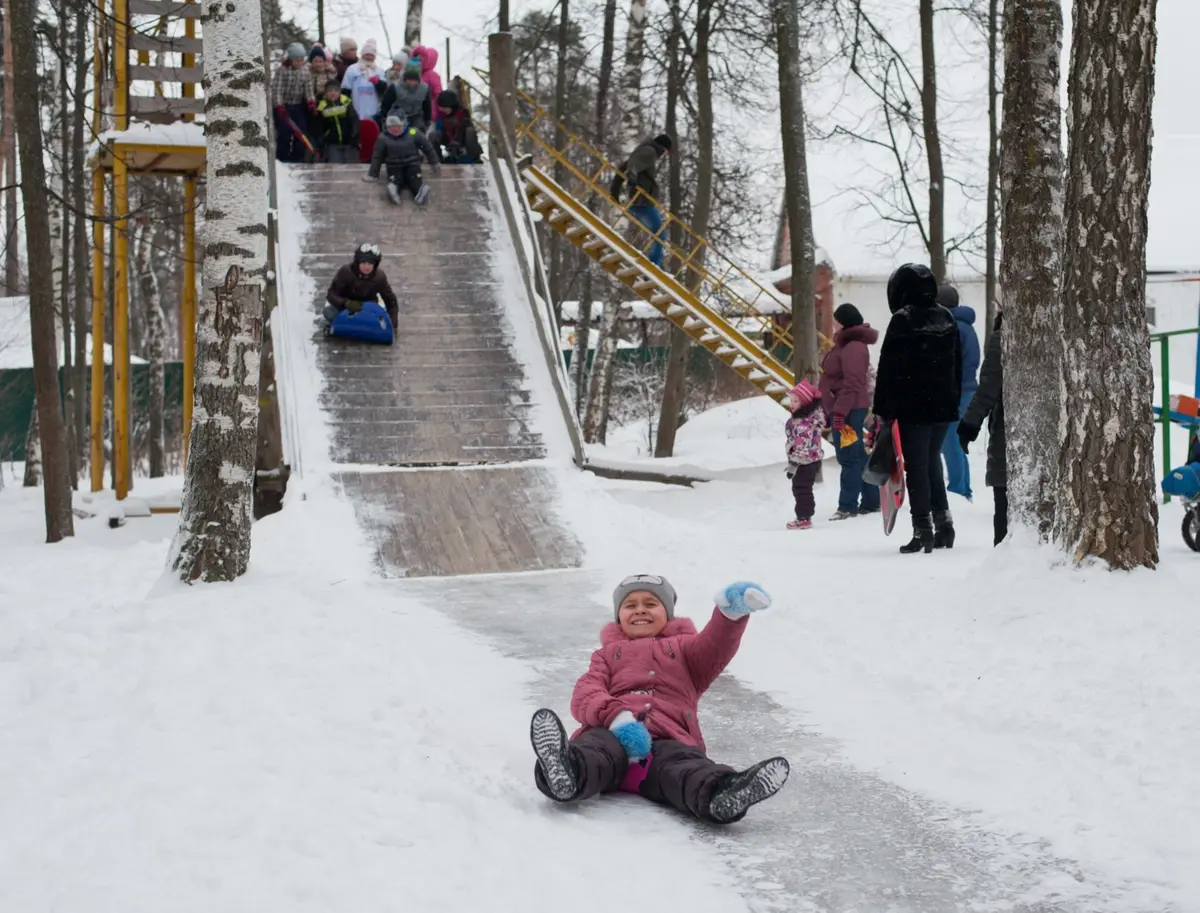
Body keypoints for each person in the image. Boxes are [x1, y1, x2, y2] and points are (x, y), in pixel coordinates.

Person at [530, 575, 790, 824]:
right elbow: (587, 690)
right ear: (619, 617)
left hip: (668, 739)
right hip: (612, 734)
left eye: (651, 603)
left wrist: (729, 615)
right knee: (594, 750)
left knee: (686, 770)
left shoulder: (687, 650)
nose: (640, 610)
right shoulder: (606, 655)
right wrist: (616, 718)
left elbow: (715, 646)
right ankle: (565, 771)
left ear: (668, 614)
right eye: (630, 605)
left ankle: (723, 793)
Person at [872, 263, 962, 553]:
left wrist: (882, 410)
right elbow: (957, 365)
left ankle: (922, 530)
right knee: (932, 462)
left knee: (917, 468)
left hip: (913, 408)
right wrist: (953, 401)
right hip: (942, 408)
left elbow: (889, 370)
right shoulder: (946, 316)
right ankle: (944, 525)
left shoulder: (904, 319)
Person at [819, 302, 881, 520]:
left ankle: (847, 506)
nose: (833, 323)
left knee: (849, 457)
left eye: (836, 320)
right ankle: (871, 501)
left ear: (843, 322)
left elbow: (853, 382)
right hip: (846, 408)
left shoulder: (853, 346)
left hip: (848, 410)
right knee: (857, 455)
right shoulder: (847, 343)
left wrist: (839, 411)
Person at [958, 310, 1006, 546]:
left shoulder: (1004, 336)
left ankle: (1003, 556)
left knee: (1005, 508)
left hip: (1009, 436)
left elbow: (987, 389)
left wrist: (968, 426)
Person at [937, 285, 980, 502]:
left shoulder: (953, 328)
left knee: (950, 441)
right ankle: (963, 488)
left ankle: (958, 489)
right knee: (955, 439)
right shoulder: (965, 326)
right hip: (966, 388)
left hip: (957, 390)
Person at [608, 134, 672, 268]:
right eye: (667, 151)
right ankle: (654, 265)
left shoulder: (646, 150)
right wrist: (631, 175)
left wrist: (615, 191)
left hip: (639, 201)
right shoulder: (650, 152)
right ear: (663, 147)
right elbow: (632, 165)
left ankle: (657, 263)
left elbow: (624, 167)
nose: (665, 155)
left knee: (655, 232)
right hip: (642, 202)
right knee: (660, 233)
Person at [363, 114, 441, 205]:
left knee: (414, 178)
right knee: (397, 179)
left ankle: (420, 190)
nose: (395, 130)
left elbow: (427, 147)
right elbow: (377, 157)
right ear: (387, 128)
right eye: (392, 128)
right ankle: (394, 190)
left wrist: (434, 161)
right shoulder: (383, 138)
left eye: (398, 127)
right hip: (394, 166)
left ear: (403, 125)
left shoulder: (413, 132)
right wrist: (373, 174)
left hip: (412, 164)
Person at [323, 243, 399, 328]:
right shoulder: (346, 272)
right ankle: (347, 325)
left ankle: (359, 325)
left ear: (375, 264)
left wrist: (392, 325)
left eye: (370, 263)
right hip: (345, 309)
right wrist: (345, 303)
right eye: (363, 262)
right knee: (329, 312)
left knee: (381, 319)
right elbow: (331, 294)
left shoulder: (379, 277)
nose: (366, 267)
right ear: (358, 262)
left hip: (368, 311)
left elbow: (391, 301)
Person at [783, 380, 826, 530]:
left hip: (804, 462)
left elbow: (801, 446)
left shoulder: (804, 423)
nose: (792, 404)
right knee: (803, 489)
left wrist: (793, 464)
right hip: (810, 460)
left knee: (801, 489)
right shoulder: (806, 419)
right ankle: (805, 516)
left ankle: (804, 518)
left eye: (796, 401)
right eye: (791, 401)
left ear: (805, 403)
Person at [271, 43, 315, 162]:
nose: (299, 63)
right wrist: (278, 105)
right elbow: (277, 89)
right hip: (284, 107)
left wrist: (311, 101)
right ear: (291, 60)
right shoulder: (282, 71)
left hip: (298, 106)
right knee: (284, 133)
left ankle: (297, 157)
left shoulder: (305, 71)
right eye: (297, 60)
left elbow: (308, 88)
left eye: (301, 60)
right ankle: (282, 158)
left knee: (300, 131)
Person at [341, 38, 382, 162]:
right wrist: (348, 109)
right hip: (356, 112)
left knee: (372, 142)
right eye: (367, 54)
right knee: (357, 142)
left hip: (373, 114)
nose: (369, 57)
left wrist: (378, 83)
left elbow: (385, 92)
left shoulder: (379, 71)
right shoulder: (352, 69)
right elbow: (345, 91)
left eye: (371, 55)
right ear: (363, 54)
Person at [430, 89, 483, 163]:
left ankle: (474, 158)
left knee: (470, 132)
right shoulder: (442, 115)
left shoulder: (462, 113)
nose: (442, 109)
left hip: (462, 141)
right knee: (433, 135)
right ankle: (437, 160)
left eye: (445, 108)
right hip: (448, 140)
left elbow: (465, 130)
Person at [313, 80, 359, 163]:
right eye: (330, 91)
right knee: (334, 166)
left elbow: (354, 120)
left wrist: (354, 135)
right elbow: (319, 126)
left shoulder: (346, 102)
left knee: (351, 166)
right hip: (332, 143)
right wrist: (321, 140)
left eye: (336, 90)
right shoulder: (321, 105)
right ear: (325, 93)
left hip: (348, 142)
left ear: (340, 92)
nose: (333, 93)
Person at [378, 63, 431, 131]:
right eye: (410, 80)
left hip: (415, 116)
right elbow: (386, 103)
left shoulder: (424, 88)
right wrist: (384, 117)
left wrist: (428, 119)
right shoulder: (395, 87)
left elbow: (427, 105)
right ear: (404, 80)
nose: (412, 83)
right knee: (398, 134)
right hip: (397, 117)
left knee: (414, 133)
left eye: (415, 81)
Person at [410, 45, 444, 123]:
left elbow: (438, 94)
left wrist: (438, 113)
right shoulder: (417, 74)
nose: (418, 60)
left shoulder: (432, 75)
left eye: (421, 59)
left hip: (430, 114)